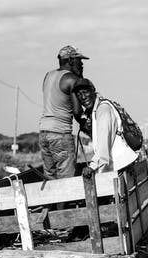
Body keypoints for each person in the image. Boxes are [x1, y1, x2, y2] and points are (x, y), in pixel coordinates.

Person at [39, 45, 90, 179]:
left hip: (44, 134)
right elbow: (78, 111)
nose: (81, 63)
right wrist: (87, 125)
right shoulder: (71, 79)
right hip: (60, 135)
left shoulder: (48, 75)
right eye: (79, 60)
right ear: (71, 61)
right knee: (66, 183)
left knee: (51, 178)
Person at [72, 78, 138, 178]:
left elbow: (103, 145)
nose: (83, 97)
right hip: (117, 165)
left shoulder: (103, 110)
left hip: (118, 165)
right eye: (79, 95)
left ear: (93, 90)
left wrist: (92, 166)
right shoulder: (96, 110)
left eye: (85, 92)